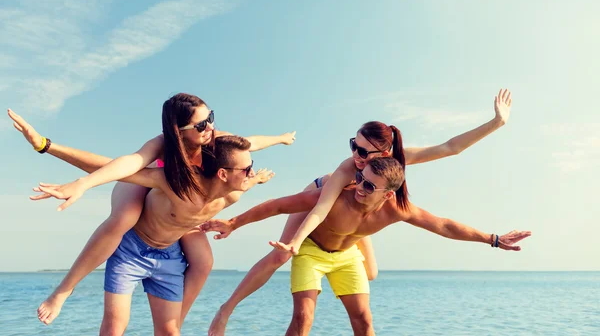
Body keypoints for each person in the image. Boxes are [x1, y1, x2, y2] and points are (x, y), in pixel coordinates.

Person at [206, 89, 514, 335]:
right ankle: (226, 310)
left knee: (371, 274)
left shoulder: (397, 170)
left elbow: (450, 148)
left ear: (386, 153)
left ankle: (347, 238)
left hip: (365, 210)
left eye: (364, 151)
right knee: (282, 255)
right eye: (354, 145)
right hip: (323, 198)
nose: (356, 155)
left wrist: (496, 123)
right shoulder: (346, 173)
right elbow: (315, 209)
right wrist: (275, 236)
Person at [7, 92, 294, 325]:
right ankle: (64, 290)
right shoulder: (162, 147)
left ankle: (174, 324)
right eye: (200, 125)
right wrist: (68, 167)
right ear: (178, 132)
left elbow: (251, 144)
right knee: (125, 218)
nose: (210, 128)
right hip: (146, 181)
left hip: (186, 201)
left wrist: (280, 139)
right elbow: (124, 165)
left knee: (204, 261)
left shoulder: (216, 141)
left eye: (211, 118)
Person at [202, 157, 531, 336]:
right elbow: (277, 205)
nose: (359, 186)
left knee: (363, 321)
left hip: (348, 256)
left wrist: (493, 239)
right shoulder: (334, 195)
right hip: (313, 252)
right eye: (360, 178)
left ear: (387, 194)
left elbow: (444, 225)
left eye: (369, 185)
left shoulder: (399, 209)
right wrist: (233, 224)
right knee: (303, 317)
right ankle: (226, 310)